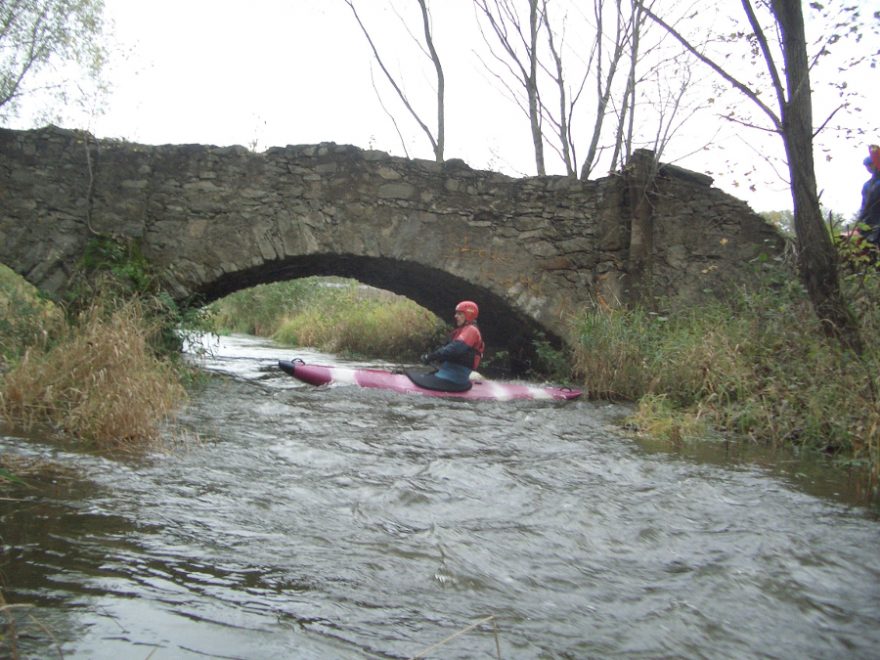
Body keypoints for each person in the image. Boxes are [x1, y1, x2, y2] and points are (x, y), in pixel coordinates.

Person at [413, 300, 485, 392]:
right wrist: (432, 357)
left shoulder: (471, 330)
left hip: (454, 378)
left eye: (459, 314)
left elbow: (454, 350)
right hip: (447, 372)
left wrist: (431, 356)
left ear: (468, 315)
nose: (456, 316)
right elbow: (446, 350)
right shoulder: (462, 330)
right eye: (456, 313)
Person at [857, 147, 880, 247]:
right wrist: (860, 219)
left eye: (871, 165)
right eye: (867, 166)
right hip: (871, 219)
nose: (869, 168)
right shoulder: (867, 185)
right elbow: (864, 204)